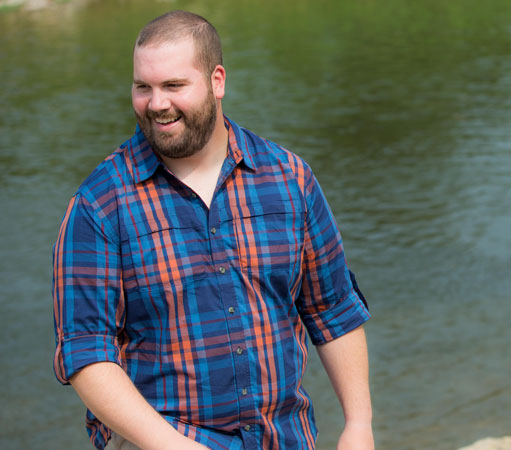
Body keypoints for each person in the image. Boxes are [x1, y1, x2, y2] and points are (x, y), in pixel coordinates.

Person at [52, 10, 373, 450]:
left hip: (284, 438)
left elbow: (332, 310)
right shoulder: (99, 203)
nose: (156, 103)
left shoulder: (289, 178)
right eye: (143, 87)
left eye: (173, 85)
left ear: (217, 81)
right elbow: (87, 354)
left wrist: (358, 423)